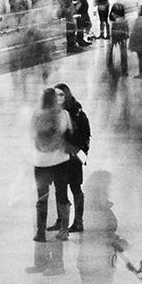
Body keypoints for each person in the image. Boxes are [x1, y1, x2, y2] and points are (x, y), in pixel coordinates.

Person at [31, 87, 73, 245]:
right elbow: (69, 133)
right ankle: (64, 230)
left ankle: (40, 232)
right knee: (62, 195)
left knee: (42, 197)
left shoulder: (36, 115)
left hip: (40, 161)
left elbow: (32, 134)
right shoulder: (63, 115)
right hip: (60, 160)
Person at [54, 82, 91, 231]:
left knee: (75, 187)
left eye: (61, 94)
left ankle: (78, 222)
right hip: (58, 156)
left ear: (67, 95)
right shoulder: (53, 112)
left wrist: (79, 151)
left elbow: (85, 136)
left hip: (73, 156)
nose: (58, 98)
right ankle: (61, 220)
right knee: (59, 188)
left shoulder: (77, 113)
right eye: (55, 95)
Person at [128, 5, 142, 77]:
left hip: (139, 41)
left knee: (141, 57)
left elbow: (136, 31)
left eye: (138, 9)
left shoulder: (139, 20)